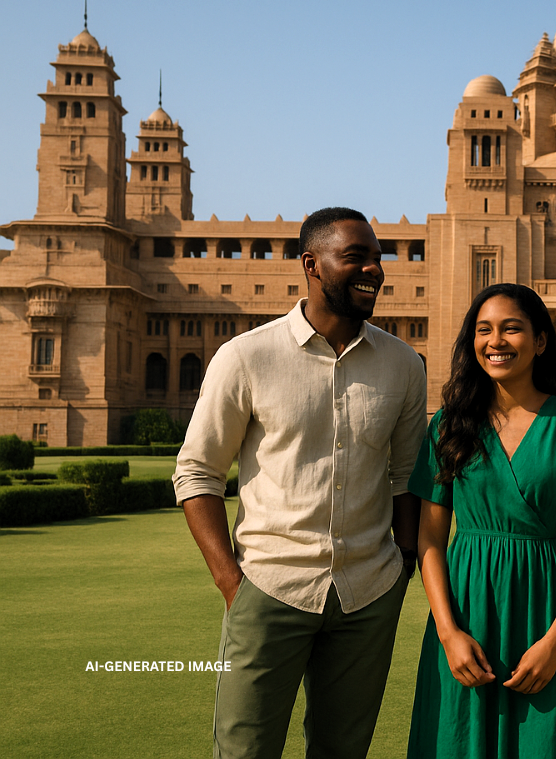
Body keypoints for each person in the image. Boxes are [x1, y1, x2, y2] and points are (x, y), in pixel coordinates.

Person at [173, 206, 427, 758]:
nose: (374, 271)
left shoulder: (405, 364)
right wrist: (231, 584)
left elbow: (408, 475)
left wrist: (402, 565)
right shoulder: (247, 356)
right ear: (312, 264)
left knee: (343, 750)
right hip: (268, 587)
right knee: (244, 750)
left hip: (368, 592)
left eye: (378, 259)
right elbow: (197, 472)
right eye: (355, 257)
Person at [408, 282, 556, 759]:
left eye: (511, 329)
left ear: (541, 340)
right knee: (460, 742)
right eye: (484, 330)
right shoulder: (448, 424)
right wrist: (449, 632)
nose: (496, 341)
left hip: (549, 613)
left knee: (549, 744)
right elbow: (430, 539)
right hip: (466, 614)